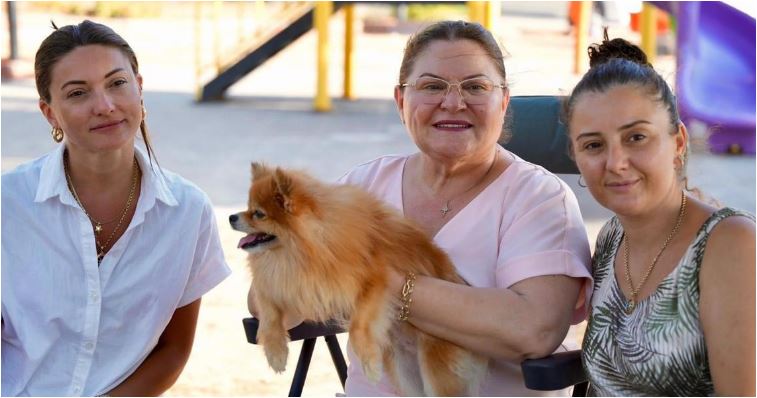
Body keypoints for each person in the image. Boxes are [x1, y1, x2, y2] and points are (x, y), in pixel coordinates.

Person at [246, 20, 592, 396]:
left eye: (476, 87)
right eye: (432, 86)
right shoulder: (365, 185)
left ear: (504, 102)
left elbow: (533, 330)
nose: (454, 102)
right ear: (401, 101)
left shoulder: (540, 199)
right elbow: (267, 302)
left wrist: (383, 282)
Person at [1, 20, 231, 396]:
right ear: (50, 113)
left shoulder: (188, 212)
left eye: (117, 83)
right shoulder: (8, 204)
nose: (105, 106)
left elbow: (173, 350)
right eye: (78, 93)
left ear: (139, 89)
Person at [564, 31, 756, 396]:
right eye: (593, 145)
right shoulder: (611, 237)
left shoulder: (730, 244)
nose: (616, 163)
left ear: (678, 143)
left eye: (636, 137)